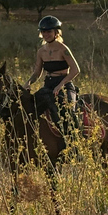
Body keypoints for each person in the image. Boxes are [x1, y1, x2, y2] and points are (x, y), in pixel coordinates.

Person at [24, 15, 80, 148]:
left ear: (56, 32)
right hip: (48, 84)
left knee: (67, 112)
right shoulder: (41, 51)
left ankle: (74, 145)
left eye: (49, 31)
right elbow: (37, 72)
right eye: (43, 31)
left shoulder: (63, 49)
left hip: (64, 83)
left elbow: (75, 70)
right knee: (30, 106)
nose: (46, 34)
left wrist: (61, 85)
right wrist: (28, 83)